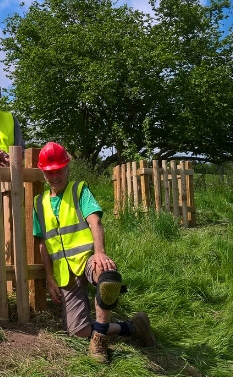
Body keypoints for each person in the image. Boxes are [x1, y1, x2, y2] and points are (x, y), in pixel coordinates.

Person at [33, 142, 156, 363]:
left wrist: (99, 253)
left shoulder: (79, 190)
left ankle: (99, 338)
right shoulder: (39, 203)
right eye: (49, 172)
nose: (54, 176)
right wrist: (50, 278)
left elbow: (95, 222)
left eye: (59, 170)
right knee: (77, 331)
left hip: (88, 259)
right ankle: (133, 327)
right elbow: (42, 243)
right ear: (43, 173)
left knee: (107, 277)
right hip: (65, 273)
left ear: (68, 168)